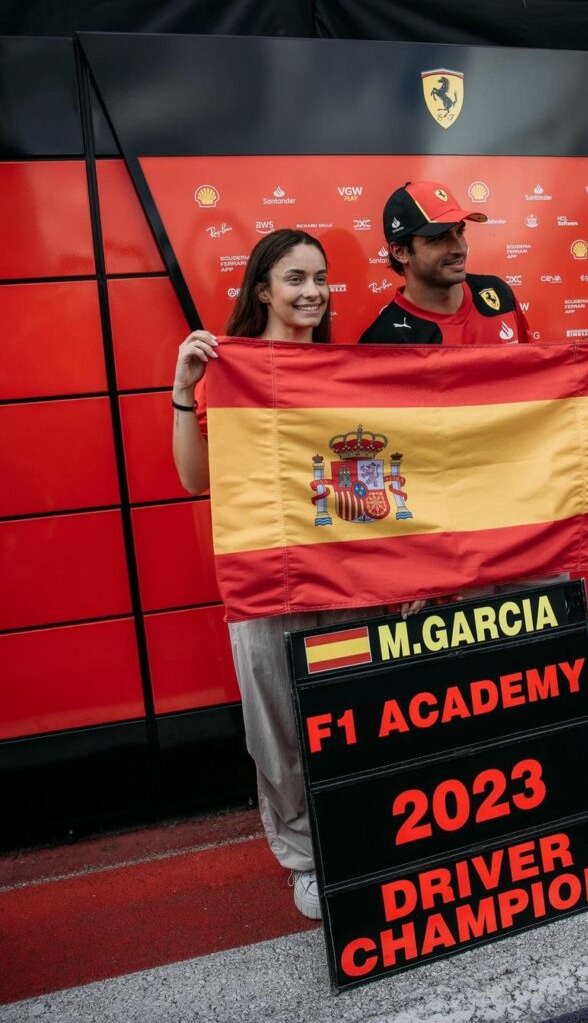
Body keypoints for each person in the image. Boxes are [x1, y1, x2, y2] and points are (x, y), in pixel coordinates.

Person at [359, 181, 588, 868]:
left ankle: (586, 815)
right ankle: (475, 838)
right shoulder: (380, 337)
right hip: (448, 552)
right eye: (438, 237)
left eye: (462, 231)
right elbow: (389, 460)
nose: (457, 246)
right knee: (462, 697)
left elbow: (538, 391)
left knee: (555, 674)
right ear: (399, 251)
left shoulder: (496, 293)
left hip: (528, 531)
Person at [171, 229, 363, 919]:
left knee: (349, 712)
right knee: (276, 728)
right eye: (295, 278)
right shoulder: (230, 368)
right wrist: (182, 392)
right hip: (264, 579)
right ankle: (305, 859)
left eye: (321, 278)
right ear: (261, 290)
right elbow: (195, 479)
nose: (312, 292)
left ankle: (357, 836)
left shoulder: (352, 369)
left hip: (345, 578)